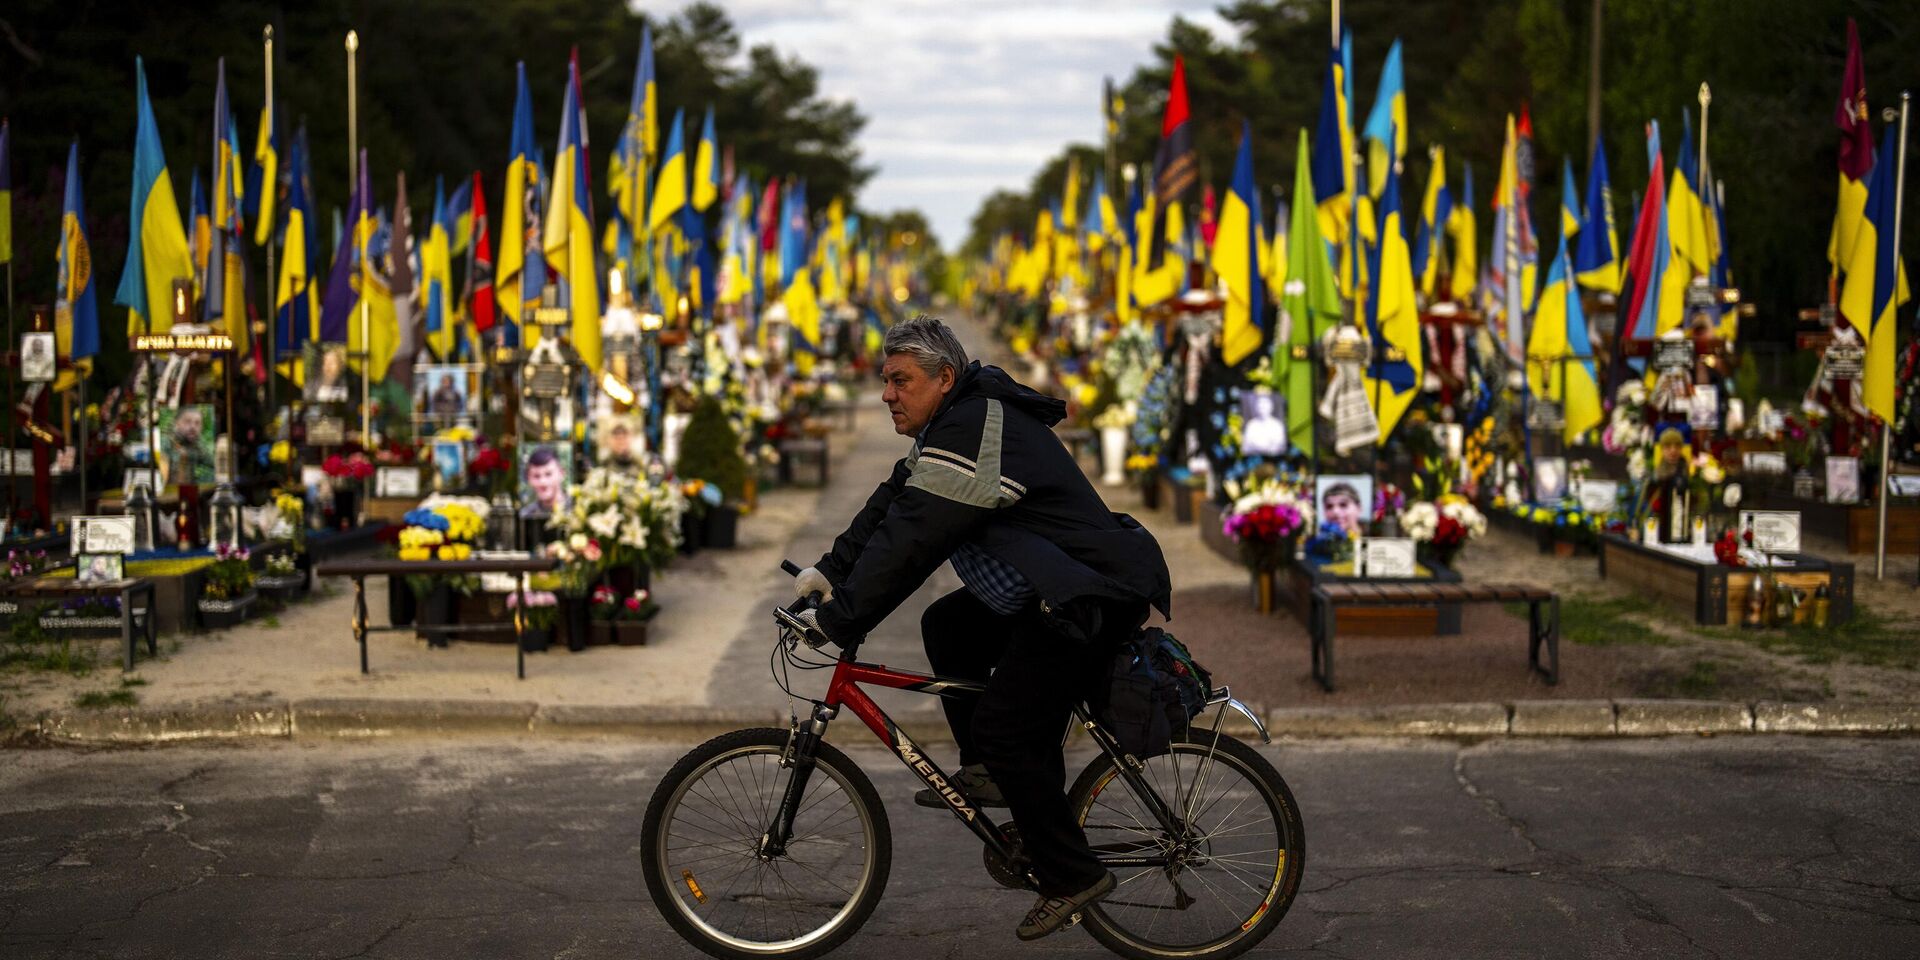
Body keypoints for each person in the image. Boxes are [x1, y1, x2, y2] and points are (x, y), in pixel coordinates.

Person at [791, 316, 1170, 942]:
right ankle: (995, 778)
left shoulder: (974, 429)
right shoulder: (951, 423)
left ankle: (1072, 875)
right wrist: (826, 574)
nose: (887, 393)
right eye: (885, 380)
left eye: (900, 380)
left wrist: (840, 619)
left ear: (945, 379)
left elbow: (912, 539)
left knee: (1007, 726)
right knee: (948, 625)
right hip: (1049, 594)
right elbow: (888, 506)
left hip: (1085, 597)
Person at [520, 446, 569, 516]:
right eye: (536, 476)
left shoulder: (577, 508)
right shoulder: (526, 514)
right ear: (529, 479)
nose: (543, 482)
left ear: (561, 474)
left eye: (548, 474)